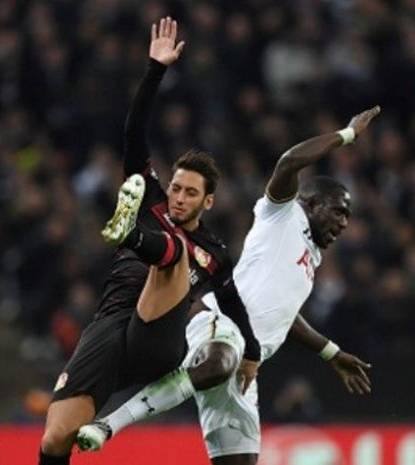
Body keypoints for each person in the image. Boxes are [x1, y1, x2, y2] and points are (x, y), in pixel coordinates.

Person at [77, 106, 381, 464]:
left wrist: (332, 353)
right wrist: (347, 135)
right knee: (217, 362)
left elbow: (284, 316)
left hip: (247, 365)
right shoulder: (283, 214)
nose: (345, 222)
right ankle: (108, 425)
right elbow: (288, 161)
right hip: (221, 325)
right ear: (312, 203)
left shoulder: (311, 258)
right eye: (339, 211)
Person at [38, 17, 260, 465]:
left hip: (159, 339)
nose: (178, 197)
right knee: (56, 437)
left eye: (190, 192)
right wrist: (155, 69)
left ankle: (131, 235)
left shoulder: (214, 252)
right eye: (175, 187)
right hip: (110, 324)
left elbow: (232, 302)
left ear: (209, 201)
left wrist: (251, 352)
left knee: (175, 252)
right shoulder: (150, 197)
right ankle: (136, 235)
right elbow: (134, 132)